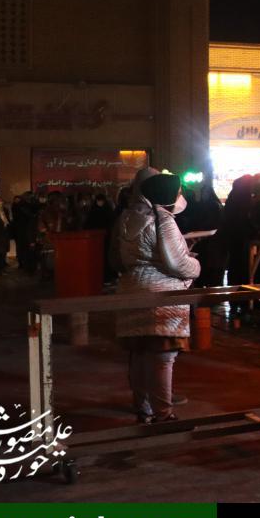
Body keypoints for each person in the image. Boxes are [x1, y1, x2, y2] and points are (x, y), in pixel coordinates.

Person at [113, 170, 199, 424]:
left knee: (139, 354)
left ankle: (144, 408)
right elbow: (177, 263)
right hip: (161, 297)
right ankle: (164, 414)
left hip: (131, 290)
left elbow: (118, 258)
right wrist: (195, 265)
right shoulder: (161, 219)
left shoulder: (128, 217)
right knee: (163, 357)